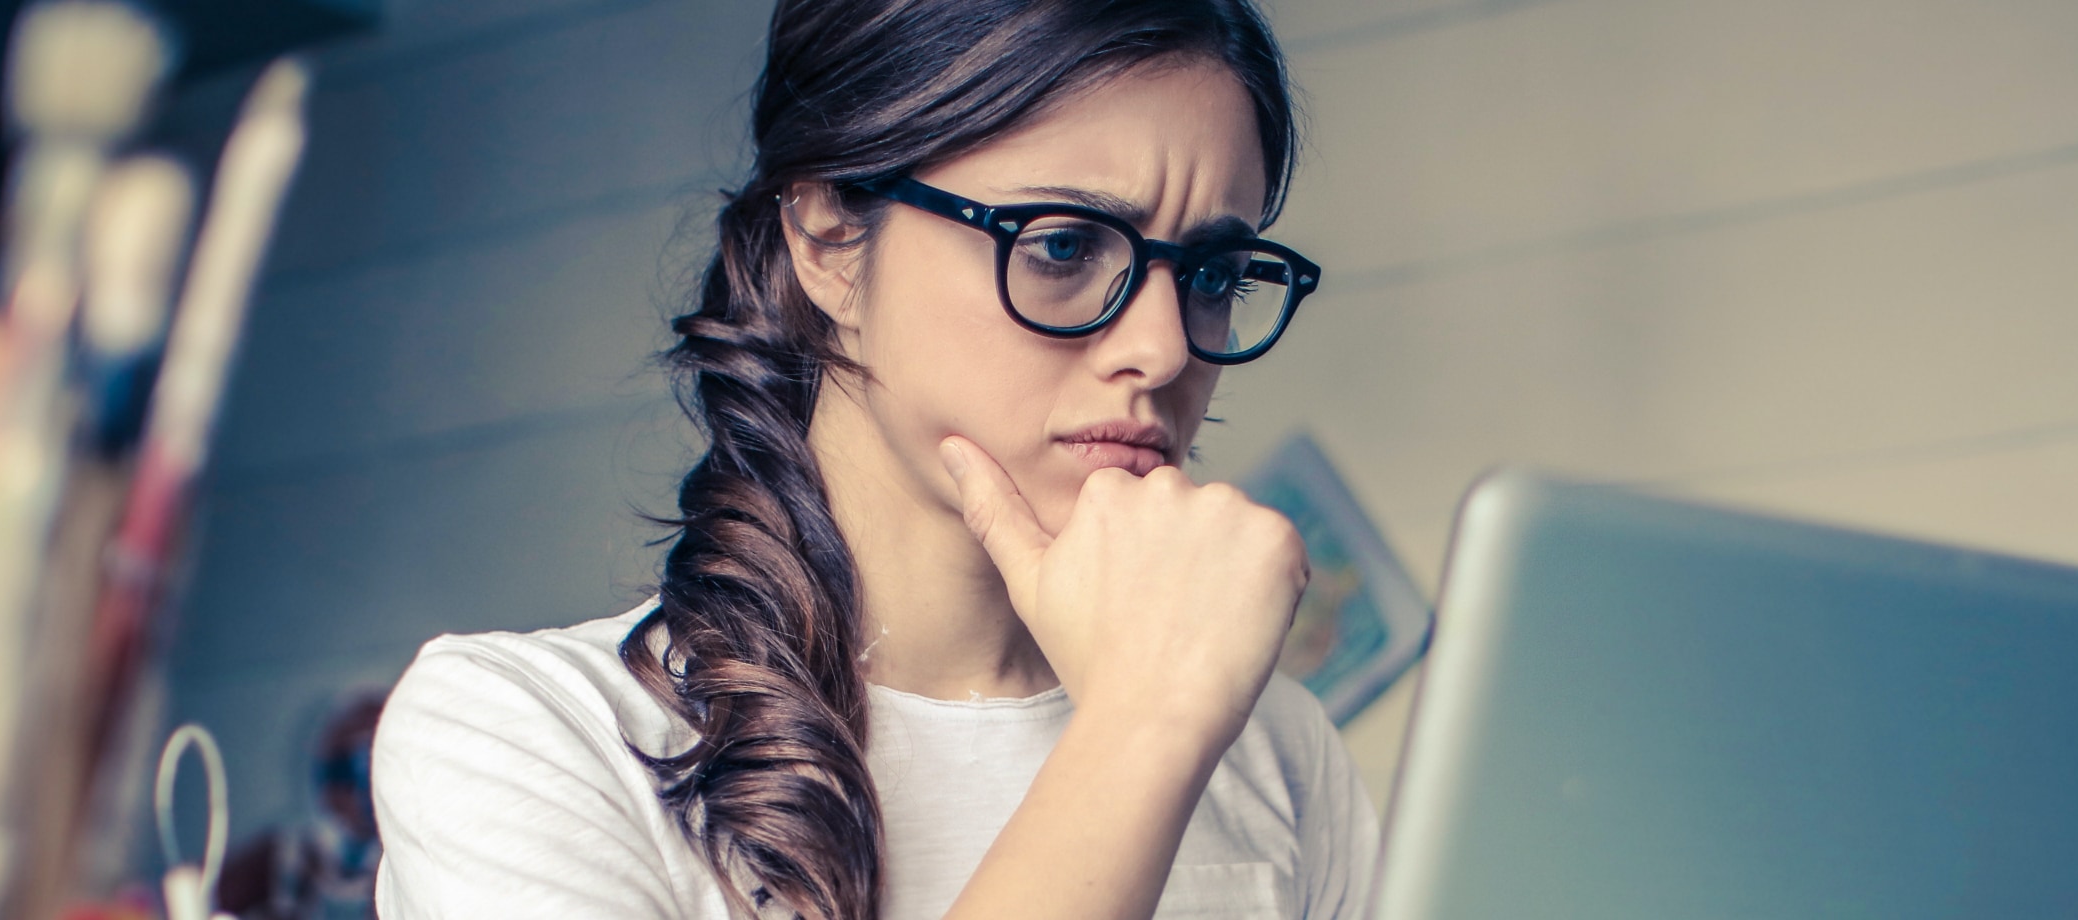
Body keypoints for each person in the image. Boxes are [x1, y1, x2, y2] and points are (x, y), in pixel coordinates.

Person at [365, 1, 1367, 918]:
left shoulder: (1277, 753)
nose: (1164, 347)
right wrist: (1145, 727)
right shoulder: (530, 739)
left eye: (1213, 273)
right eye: (1061, 247)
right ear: (830, 237)